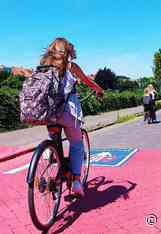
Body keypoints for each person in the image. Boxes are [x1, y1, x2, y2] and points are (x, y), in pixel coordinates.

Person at [40, 37, 104, 196]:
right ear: (68, 51)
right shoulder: (71, 66)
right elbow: (89, 82)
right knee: (76, 144)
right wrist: (99, 90)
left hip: (48, 113)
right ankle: (76, 181)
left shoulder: (43, 67)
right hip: (68, 112)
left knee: (54, 131)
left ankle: (51, 150)